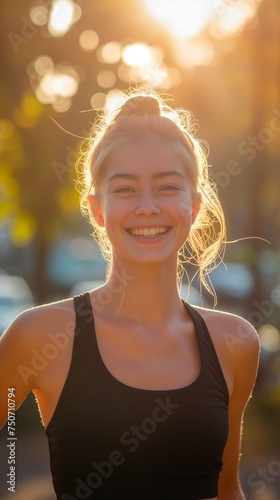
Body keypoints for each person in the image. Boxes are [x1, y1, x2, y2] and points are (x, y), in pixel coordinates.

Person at [0, 90, 260, 500]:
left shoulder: (236, 344)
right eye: (124, 189)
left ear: (194, 207)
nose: (147, 207)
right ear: (98, 210)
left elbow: (228, 491)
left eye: (167, 187)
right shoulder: (40, 336)